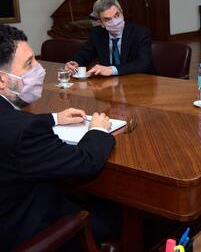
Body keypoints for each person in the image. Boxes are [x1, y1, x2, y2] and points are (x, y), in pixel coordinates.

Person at [0, 25, 120, 251]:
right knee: (114, 212)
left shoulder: (19, 125)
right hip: (26, 230)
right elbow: (85, 162)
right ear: (2, 81)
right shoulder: (25, 132)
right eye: (29, 64)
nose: (40, 68)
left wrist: (54, 118)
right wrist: (98, 130)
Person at [65, 0, 153, 77]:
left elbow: (143, 64)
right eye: (107, 19)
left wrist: (111, 70)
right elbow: (84, 54)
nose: (115, 22)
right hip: (109, 83)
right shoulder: (97, 33)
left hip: (138, 82)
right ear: (100, 23)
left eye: (117, 15)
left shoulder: (140, 32)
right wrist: (75, 63)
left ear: (122, 13)